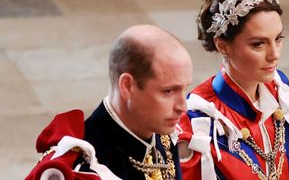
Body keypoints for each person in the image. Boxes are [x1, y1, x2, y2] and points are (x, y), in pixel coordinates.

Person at [26, 25, 193, 180]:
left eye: (184, 89)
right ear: (127, 86)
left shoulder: (162, 136)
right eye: (168, 91)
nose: (182, 107)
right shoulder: (83, 169)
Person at [177, 0, 289, 180]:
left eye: (278, 39)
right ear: (223, 45)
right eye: (258, 44)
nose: (275, 55)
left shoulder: (278, 87)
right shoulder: (199, 120)